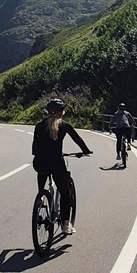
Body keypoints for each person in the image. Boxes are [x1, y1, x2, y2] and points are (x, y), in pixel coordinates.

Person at [32, 98, 92, 235]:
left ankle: (41, 196)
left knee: (42, 173)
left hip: (39, 163)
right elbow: (78, 140)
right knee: (65, 193)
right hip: (56, 163)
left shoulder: (39, 126)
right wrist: (85, 151)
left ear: (48, 111)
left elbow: (34, 149)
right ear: (61, 112)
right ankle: (66, 224)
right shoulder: (64, 125)